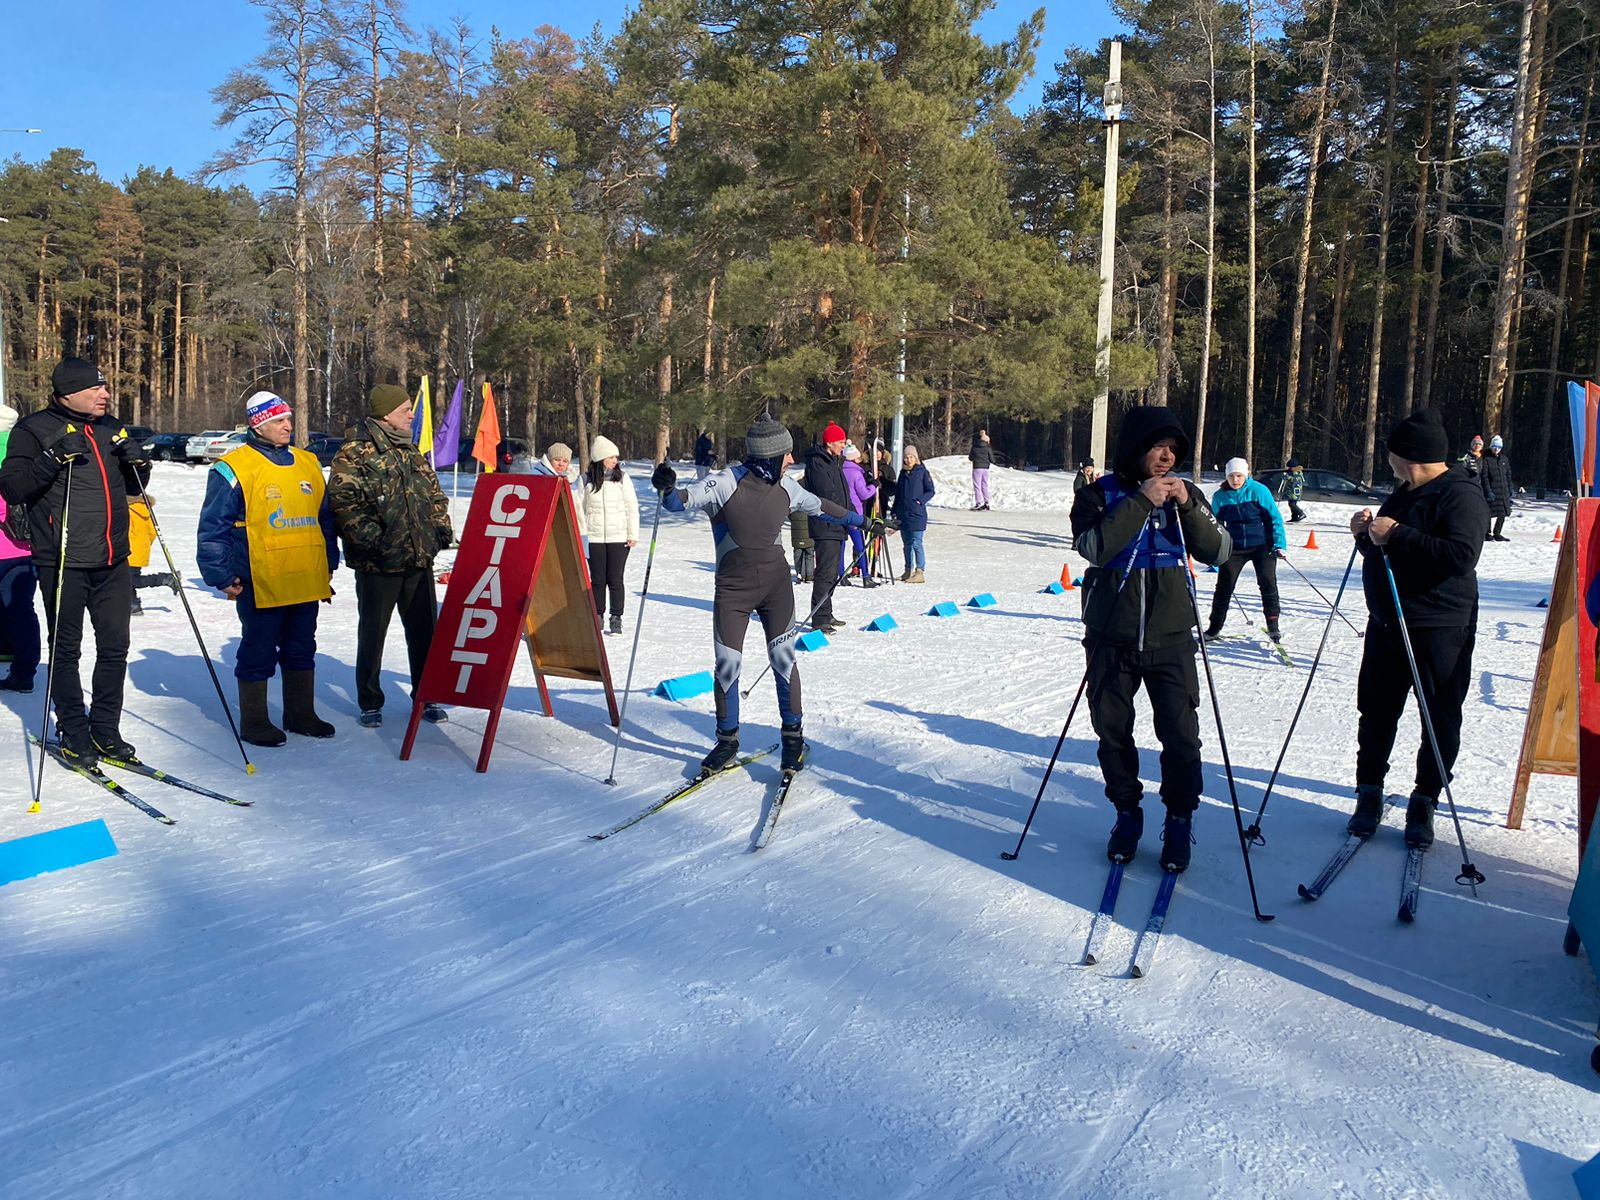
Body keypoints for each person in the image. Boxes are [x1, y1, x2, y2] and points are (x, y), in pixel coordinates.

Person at [650, 413, 873, 775]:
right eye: (785, 454)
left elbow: (827, 509)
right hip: (733, 592)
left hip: (776, 589)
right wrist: (664, 485)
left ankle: (792, 739)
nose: (791, 460)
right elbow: (679, 502)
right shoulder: (724, 482)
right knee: (727, 666)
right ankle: (726, 743)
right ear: (769, 456)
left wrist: (864, 522)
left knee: (784, 661)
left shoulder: (788, 488)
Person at [1069, 406, 1231, 872]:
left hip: (1171, 637)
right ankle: (1126, 813)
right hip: (1110, 637)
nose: (1166, 457)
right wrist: (1140, 501)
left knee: (1181, 736)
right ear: (1135, 449)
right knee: (1112, 732)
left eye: (1173, 449)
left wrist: (1186, 505)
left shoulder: (1189, 494)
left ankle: (1179, 818)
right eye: (1157, 447)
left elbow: (1219, 550)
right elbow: (1095, 548)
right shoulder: (1099, 494)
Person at [1346, 407, 1487, 849]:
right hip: (1388, 623)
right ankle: (1368, 790)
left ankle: (1425, 798)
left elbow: (1461, 556)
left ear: (1408, 456)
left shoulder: (1461, 495)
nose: (1388, 461)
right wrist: (1367, 536)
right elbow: (1386, 554)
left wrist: (1398, 535)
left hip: (1439, 627)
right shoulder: (1404, 491)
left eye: (1391, 453)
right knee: (1376, 711)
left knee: (1438, 718)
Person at [0, 357, 152, 763]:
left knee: (115, 646)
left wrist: (140, 464)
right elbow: (13, 487)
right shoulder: (33, 430)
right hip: (62, 559)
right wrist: (51, 458)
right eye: (95, 389)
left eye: (104, 388)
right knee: (66, 650)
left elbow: (133, 485)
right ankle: (73, 729)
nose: (105, 395)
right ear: (69, 393)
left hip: (112, 558)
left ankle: (105, 729)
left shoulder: (112, 428)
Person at [197, 390, 339, 746]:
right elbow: (214, 526)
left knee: (302, 647)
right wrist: (220, 575)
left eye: (288, 418)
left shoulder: (308, 463)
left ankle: (300, 713)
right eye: (278, 420)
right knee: (258, 649)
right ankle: (255, 720)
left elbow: (325, 520)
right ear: (257, 424)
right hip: (261, 579)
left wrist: (329, 562)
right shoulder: (233, 467)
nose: (287, 425)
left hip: (306, 575)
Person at [329, 383, 453, 729]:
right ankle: (370, 701)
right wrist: (374, 542)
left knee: (425, 633)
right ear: (386, 414)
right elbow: (344, 504)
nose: (411, 415)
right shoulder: (355, 453)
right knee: (373, 633)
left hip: (418, 559)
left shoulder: (411, 451)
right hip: (378, 564)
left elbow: (434, 495)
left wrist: (440, 529)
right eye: (405, 410)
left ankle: (427, 695)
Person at [1205, 457, 1287, 642]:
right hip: (1235, 548)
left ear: (1246, 475)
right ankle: (1214, 627)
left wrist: (1279, 544)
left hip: (1261, 546)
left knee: (1267, 581)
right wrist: (1214, 547)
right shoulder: (1220, 497)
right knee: (1224, 587)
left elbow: (1274, 518)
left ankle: (1273, 625)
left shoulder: (1258, 491)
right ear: (1227, 477)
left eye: (1239, 476)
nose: (1235, 480)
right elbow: (1214, 525)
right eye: (1232, 476)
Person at [581, 435, 639, 635]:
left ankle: (616, 617)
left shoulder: (622, 478)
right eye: (611, 457)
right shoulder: (586, 479)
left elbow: (631, 507)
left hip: (618, 537)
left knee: (615, 579)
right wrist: (582, 536)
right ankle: (597, 616)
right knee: (597, 580)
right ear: (600, 458)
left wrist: (632, 534)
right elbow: (579, 511)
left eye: (616, 457)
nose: (615, 461)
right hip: (594, 538)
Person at [0, 402, 40, 693]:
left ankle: (20, 668)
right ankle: (23, 667)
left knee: (12, 607)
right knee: (20, 607)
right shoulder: (26, 448)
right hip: (28, 546)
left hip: (6, 545)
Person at [802, 422, 851, 632]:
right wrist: (841, 513)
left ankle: (827, 612)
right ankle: (819, 618)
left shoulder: (834, 462)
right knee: (825, 573)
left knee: (832, 574)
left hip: (838, 525)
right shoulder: (817, 463)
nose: (843, 446)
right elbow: (826, 494)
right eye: (841, 442)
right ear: (830, 442)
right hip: (826, 524)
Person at [127, 496, 179, 616]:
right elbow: (152, 531)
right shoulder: (145, 509)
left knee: (131, 580)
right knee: (127, 579)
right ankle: (133, 606)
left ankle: (166, 578)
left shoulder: (126, 509)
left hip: (128, 550)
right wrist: (144, 544)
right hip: (140, 549)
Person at [892, 443, 935, 582]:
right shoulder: (903, 473)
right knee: (907, 544)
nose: (908, 460)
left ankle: (920, 571)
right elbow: (898, 494)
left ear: (915, 458)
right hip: (903, 514)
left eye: (911, 457)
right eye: (906, 457)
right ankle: (907, 570)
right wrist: (894, 511)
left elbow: (930, 490)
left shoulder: (922, 472)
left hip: (917, 514)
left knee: (917, 542)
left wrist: (919, 501)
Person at [840, 442, 878, 587]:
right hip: (855, 513)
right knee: (860, 545)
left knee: (841, 544)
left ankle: (841, 575)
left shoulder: (839, 470)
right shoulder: (856, 473)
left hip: (840, 511)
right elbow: (863, 494)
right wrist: (873, 486)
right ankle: (866, 576)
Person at [1482, 435, 1513, 541]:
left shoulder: (1504, 459)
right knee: (1489, 512)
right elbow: (1484, 477)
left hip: (1503, 490)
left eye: (1499, 447)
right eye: (1494, 446)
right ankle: (1487, 532)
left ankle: (1497, 533)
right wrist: (1488, 491)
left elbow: (1508, 474)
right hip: (1492, 490)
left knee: (1503, 513)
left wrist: (1510, 488)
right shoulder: (1486, 459)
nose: (1496, 449)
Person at [969, 429, 994, 511]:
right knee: (985, 485)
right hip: (986, 468)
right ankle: (986, 502)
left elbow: (970, 458)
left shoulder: (975, 447)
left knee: (977, 485)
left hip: (977, 467)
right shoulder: (988, 448)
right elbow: (992, 460)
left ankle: (979, 502)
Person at [1280, 458, 1307, 523]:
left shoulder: (1296, 472)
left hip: (1295, 491)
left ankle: (1301, 513)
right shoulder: (1293, 472)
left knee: (1292, 504)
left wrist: (1286, 476)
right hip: (1292, 490)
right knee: (1292, 503)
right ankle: (1294, 517)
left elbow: (1293, 479)